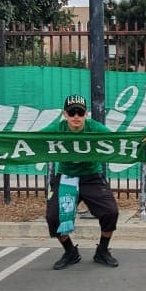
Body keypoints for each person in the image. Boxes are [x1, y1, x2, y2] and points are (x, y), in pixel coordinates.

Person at [43, 94, 120, 270]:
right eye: (72, 113)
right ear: (65, 114)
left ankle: (102, 250)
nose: (76, 116)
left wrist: (140, 141)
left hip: (91, 176)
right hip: (66, 176)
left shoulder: (94, 127)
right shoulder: (57, 127)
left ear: (86, 114)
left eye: (80, 112)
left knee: (111, 212)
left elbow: (118, 139)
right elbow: (33, 140)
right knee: (53, 217)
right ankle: (70, 252)